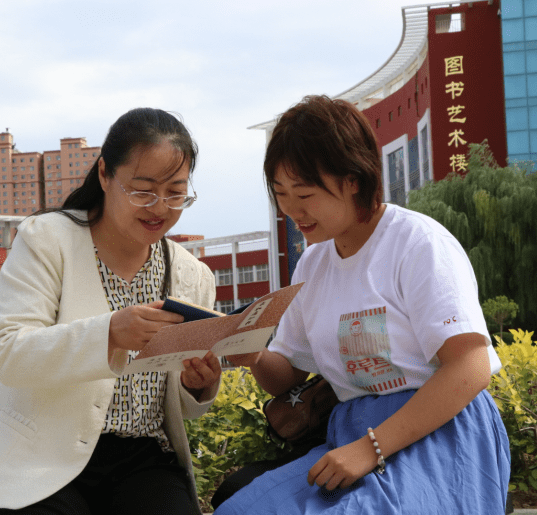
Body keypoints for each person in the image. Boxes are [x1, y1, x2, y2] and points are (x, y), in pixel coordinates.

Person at [218, 95, 510, 514]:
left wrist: (371, 449)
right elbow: (285, 375)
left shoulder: (416, 243)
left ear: (353, 178)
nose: (291, 209)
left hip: (439, 432)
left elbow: (470, 366)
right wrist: (250, 353)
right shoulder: (313, 263)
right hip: (351, 437)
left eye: (304, 193)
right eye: (280, 193)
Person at [0, 107, 222, 515]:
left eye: (176, 192)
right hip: (38, 453)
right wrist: (110, 333)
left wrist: (198, 385)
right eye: (143, 189)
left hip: (142, 459)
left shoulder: (192, 275)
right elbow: (10, 353)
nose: (160, 207)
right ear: (104, 175)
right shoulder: (47, 240)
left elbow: (175, 404)